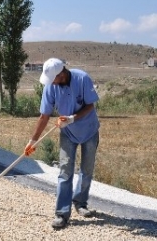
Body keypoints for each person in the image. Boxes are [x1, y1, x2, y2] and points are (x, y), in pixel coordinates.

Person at [24, 58, 100, 229]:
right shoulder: (50, 87)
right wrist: (33, 141)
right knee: (65, 171)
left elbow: (90, 105)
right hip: (67, 133)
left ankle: (80, 203)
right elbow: (44, 116)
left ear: (61, 74)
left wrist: (73, 118)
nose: (51, 83)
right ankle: (62, 213)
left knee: (86, 170)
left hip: (89, 131)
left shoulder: (82, 79)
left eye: (53, 79)